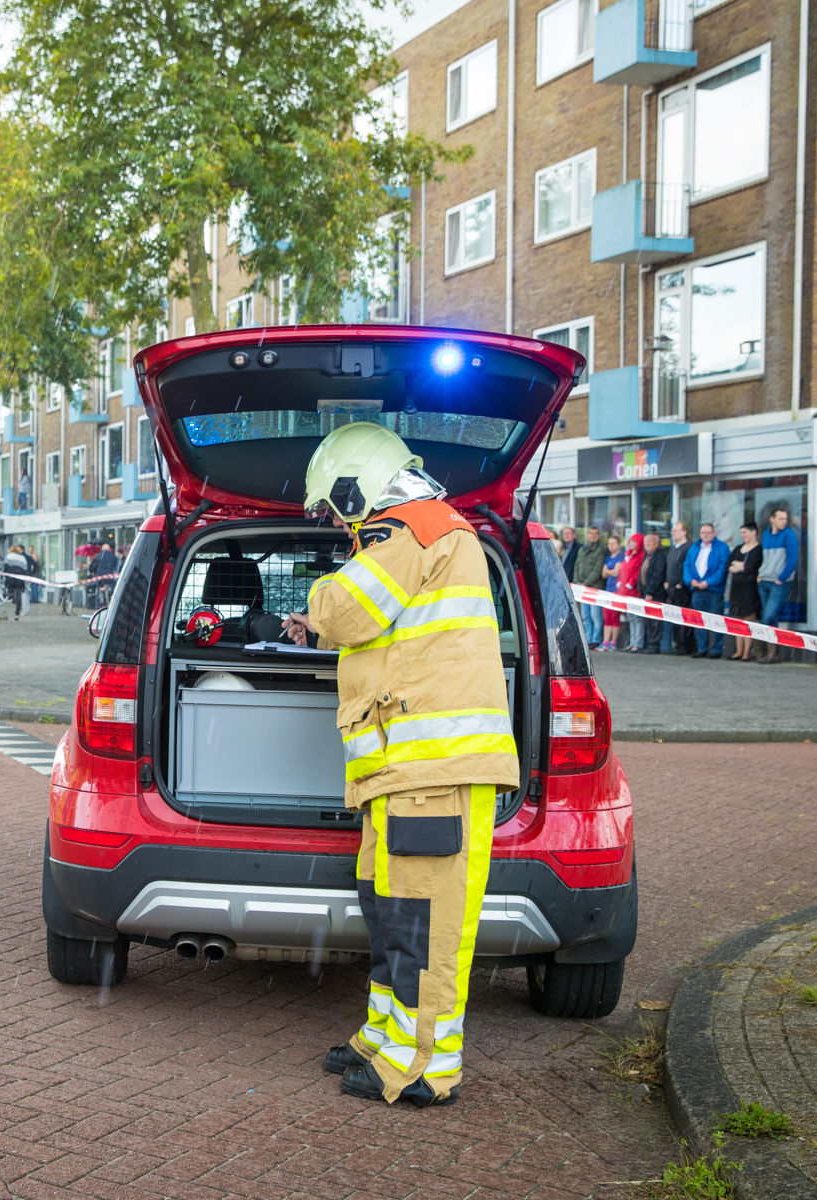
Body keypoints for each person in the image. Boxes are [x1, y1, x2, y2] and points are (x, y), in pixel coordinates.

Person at [280, 423, 515, 1110]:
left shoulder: (413, 528)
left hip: (433, 770)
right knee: (391, 913)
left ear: (357, 487)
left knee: (424, 924)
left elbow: (348, 608)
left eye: (335, 507)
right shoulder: (424, 532)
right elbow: (382, 627)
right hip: (408, 772)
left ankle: (423, 1067)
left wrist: (313, 608)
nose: (337, 523)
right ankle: (385, 1038)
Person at [755, 506, 799, 664]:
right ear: (771, 519)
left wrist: (782, 577)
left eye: (785, 519)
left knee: (768, 616)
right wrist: (760, 574)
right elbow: (764, 557)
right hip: (764, 580)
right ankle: (773, 653)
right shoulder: (766, 535)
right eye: (780, 518)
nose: (783, 521)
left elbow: (792, 559)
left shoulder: (789, 535)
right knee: (770, 617)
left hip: (778, 582)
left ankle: (763, 649)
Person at [684, 523, 731, 659]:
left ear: (714, 534)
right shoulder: (694, 548)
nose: (705, 535)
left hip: (714, 590)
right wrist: (690, 581)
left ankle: (716, 649)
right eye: (703, 532)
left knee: (715, 620)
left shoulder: (722, 548)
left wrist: (708, 582)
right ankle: (702, 648)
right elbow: (687, 566)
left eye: (709, 532)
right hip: (697, 590)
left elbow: (722, 569)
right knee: (699, 620)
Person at [725, 522, 763, 661]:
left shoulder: (758, 549)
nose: (743, 535)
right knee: (737, 620)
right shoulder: (738, 548)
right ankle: (738, 651)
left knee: (748, 620)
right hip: (736, 588)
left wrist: (741, 566)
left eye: (745, 532)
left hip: (750, 589)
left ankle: (747, 652)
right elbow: (729, 564)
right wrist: (740, 566)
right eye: (741, 532)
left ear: (754, 532)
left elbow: (752, 567)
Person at [663, 522, 694, 655]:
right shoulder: (673, 549)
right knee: (674, 618)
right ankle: (677, 644)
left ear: (684, 532)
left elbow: (687, 567)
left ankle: (684, 645)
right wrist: (666, 581)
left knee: (684, 618)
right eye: (672, 530)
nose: (672, 533)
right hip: (671, 588)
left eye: (676, 530)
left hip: (682, 589)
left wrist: (680, 583)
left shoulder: (688, 548)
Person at [572, 526, 606, 648]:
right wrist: (577, 582)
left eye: (596, 533)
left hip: (594, 588)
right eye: (591, 533)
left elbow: (597, 570)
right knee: (585, 615)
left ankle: (596, 639)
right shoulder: (582, 549)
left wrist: (585, 583)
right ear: (587, 535)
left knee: (595, 615)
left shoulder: (601, 550)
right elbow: (577, 566)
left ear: (599, 536)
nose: (593, 536)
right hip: (581, 588)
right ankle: (588, 638)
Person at [638, 532, 667, 653]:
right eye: (646, 542)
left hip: (655, 594)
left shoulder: (659, 556)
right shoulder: (647, 556)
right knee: (648, 621)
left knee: (655, 622)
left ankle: (654, 645)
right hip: (645, 593)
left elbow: (657, 575)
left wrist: (649, 592)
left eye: (651, 542)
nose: (648, 544)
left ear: (656, 543)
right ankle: (650, 643)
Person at [617, 535, 645, 651]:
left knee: (637, 618)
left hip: (634, 591)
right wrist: (620, 582)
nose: (631, 544)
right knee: (630, 618)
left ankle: (638, 643)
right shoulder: (627, 556)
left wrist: (631, 583)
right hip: (625, 591)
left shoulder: (640, 556)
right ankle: (632, 642)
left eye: (634, 541)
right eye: (630, 541)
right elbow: (623, 571)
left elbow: (637, 572)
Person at [598, 535, 624, 651]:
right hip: (607, 589)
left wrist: (608, 570)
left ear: (619, 545)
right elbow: (603, 574)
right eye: (609, 544)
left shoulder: (621, 557)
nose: (611, 546)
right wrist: (609, 571)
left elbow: (616, 573)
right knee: (607, 616)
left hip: (616, 590)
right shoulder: (608, 558)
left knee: (614, 616)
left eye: (613, 543)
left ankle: (613, 642)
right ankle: (606, 641)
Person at [1, 542, 29, 619]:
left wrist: (4, 575)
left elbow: (5, 567)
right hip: (20, 579)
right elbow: (25, 570)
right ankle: (17, 614)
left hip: (11, 579)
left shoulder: (9, 556)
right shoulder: (23, 558)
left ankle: (12, 598)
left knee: (11, 592)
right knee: (19, 596)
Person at [91, 541, 119, 607]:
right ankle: (111, 605)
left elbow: (94, 567)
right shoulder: (113, 556)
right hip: (109, 578)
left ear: (102, 549)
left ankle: (98, 607)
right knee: (111, 591)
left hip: (100, 578)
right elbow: (116, 567)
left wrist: (95, 573)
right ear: (109, 548)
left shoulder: (99, 556)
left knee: (98, 591)